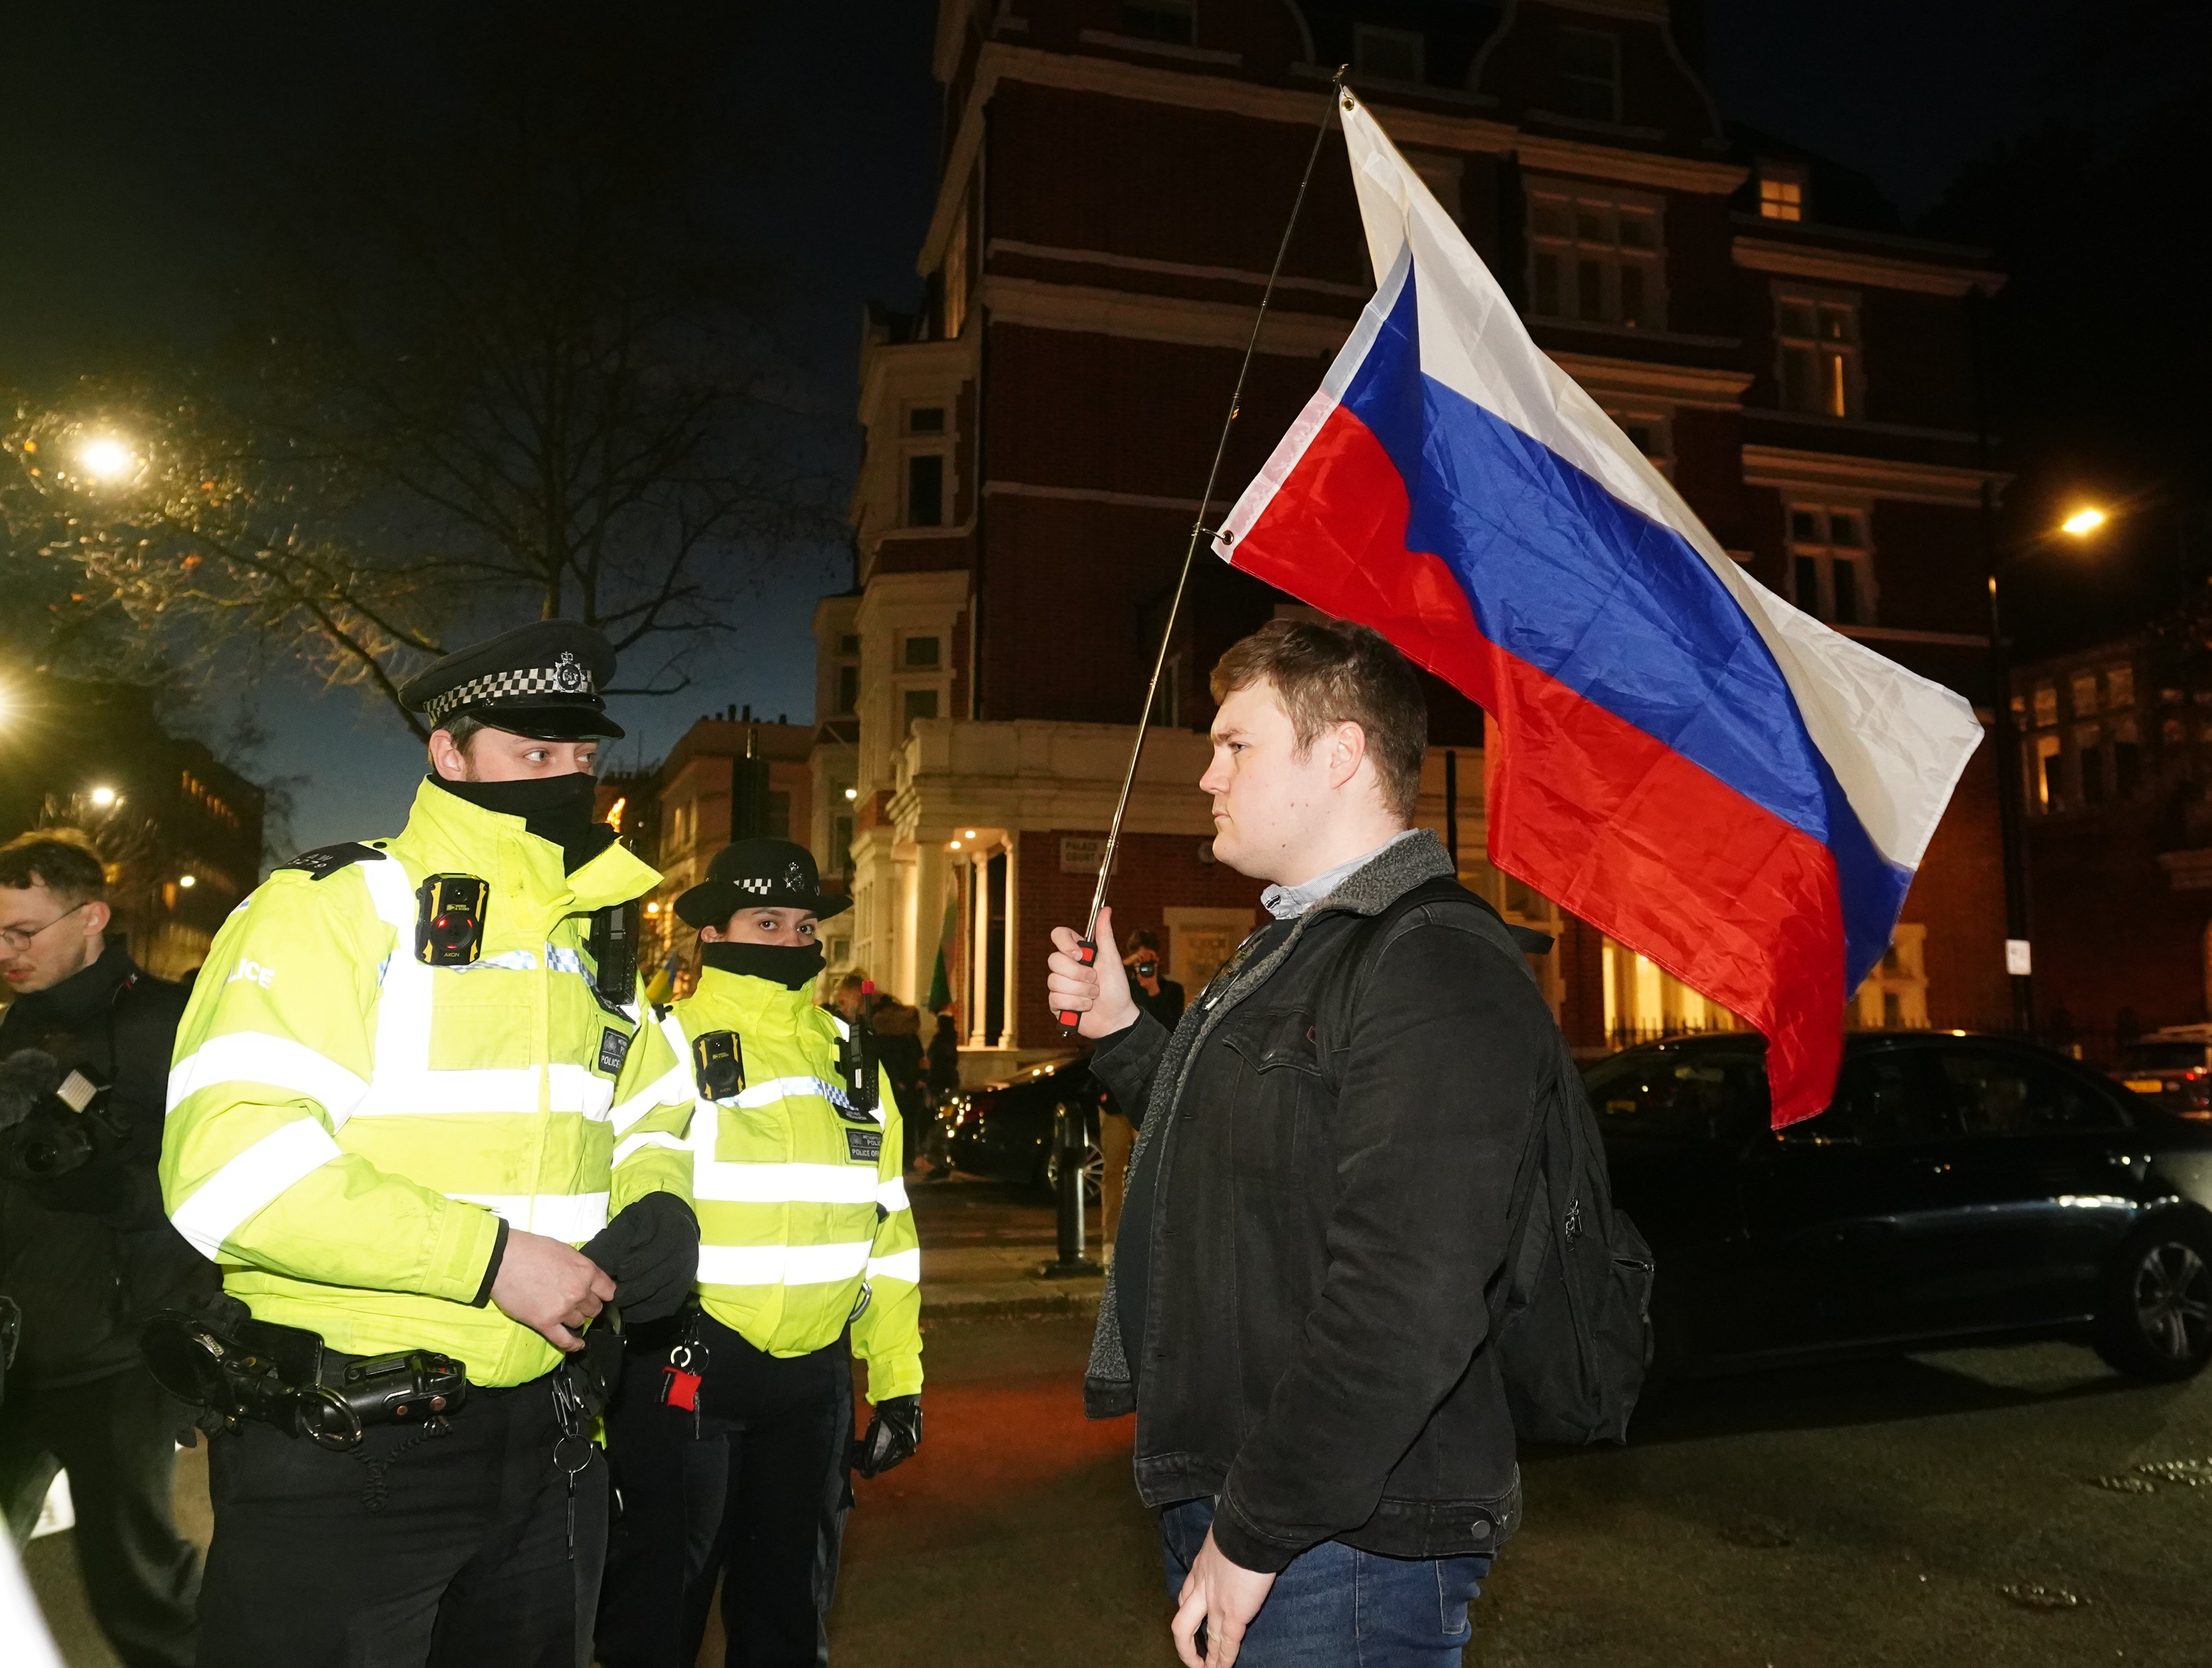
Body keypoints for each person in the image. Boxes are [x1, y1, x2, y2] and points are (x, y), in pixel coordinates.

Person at [160, 620, 700, 1668]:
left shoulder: (590, 939)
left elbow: (653, 1103)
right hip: (352, 1450)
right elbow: (228, 1167)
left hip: (550, 1437)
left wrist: (662, 1201)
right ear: (448, 753)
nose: (563, 778)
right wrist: (489, 1257)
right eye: (531, 753)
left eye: (578, 758)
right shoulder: (329, 909)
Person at [1046, 619, 1552, 1668]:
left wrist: (1257, 1524)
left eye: (1236, 744)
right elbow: (1242, 1148)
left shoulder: (1430, 961)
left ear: (1338, 756)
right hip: (1256, 1500)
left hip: (1342, 1542)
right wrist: (1123, 1034)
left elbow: (1406, 1294)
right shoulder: (1295, 944)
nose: (1205, 774)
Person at [597, 838, 922, 1668]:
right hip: (687, 1366)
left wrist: (898, 1381)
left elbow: (887, 1234)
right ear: (712, 933)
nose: (788, 940)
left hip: (811, 1385)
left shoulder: (850, 1057)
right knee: (655, 1621)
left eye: (803, 923)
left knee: (787, 1623)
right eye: (765, 920)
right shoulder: (662, 1041)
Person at [0, 831, 207, 1668]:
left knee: (139, 1589)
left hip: (116, 1355)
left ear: (92, 917)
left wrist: (115, 1185)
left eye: (23, 932)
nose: (6, 951)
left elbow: (210, 1179)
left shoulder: (161, 1023)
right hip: (16, 1344)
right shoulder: (15, 1023)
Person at [1099, 933, 1185, 1255]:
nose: (1145, 965)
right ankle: (1110, 1241)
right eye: (1139, 958)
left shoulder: (1170, 991)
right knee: (1113, 1171)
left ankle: (1150, 1240)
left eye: (1149, 959)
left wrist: (1154, 991)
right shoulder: (1121, 987)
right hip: (1115, 1098)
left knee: (1150, 1171)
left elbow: (1171, 1032)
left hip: (1152, 1095)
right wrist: (1124, 968)